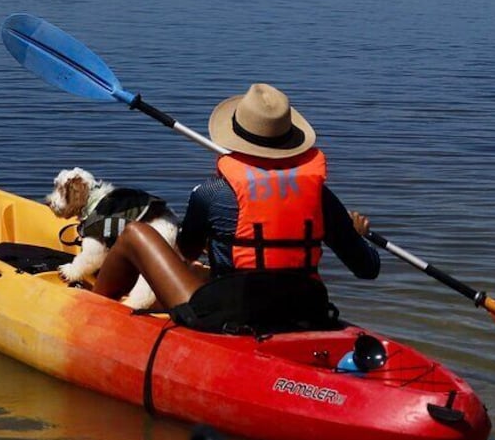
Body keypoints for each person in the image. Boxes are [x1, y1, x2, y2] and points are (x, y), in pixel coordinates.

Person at [92, 83, 380, 333]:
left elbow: (186, 253)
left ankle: (91, 308)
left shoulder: (211, 192)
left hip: (231, 315)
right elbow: (368, 269)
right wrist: (355, 234)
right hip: (306, 312)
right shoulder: (319, 194)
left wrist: (215, 239)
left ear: (234, 139)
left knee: (135, 233)